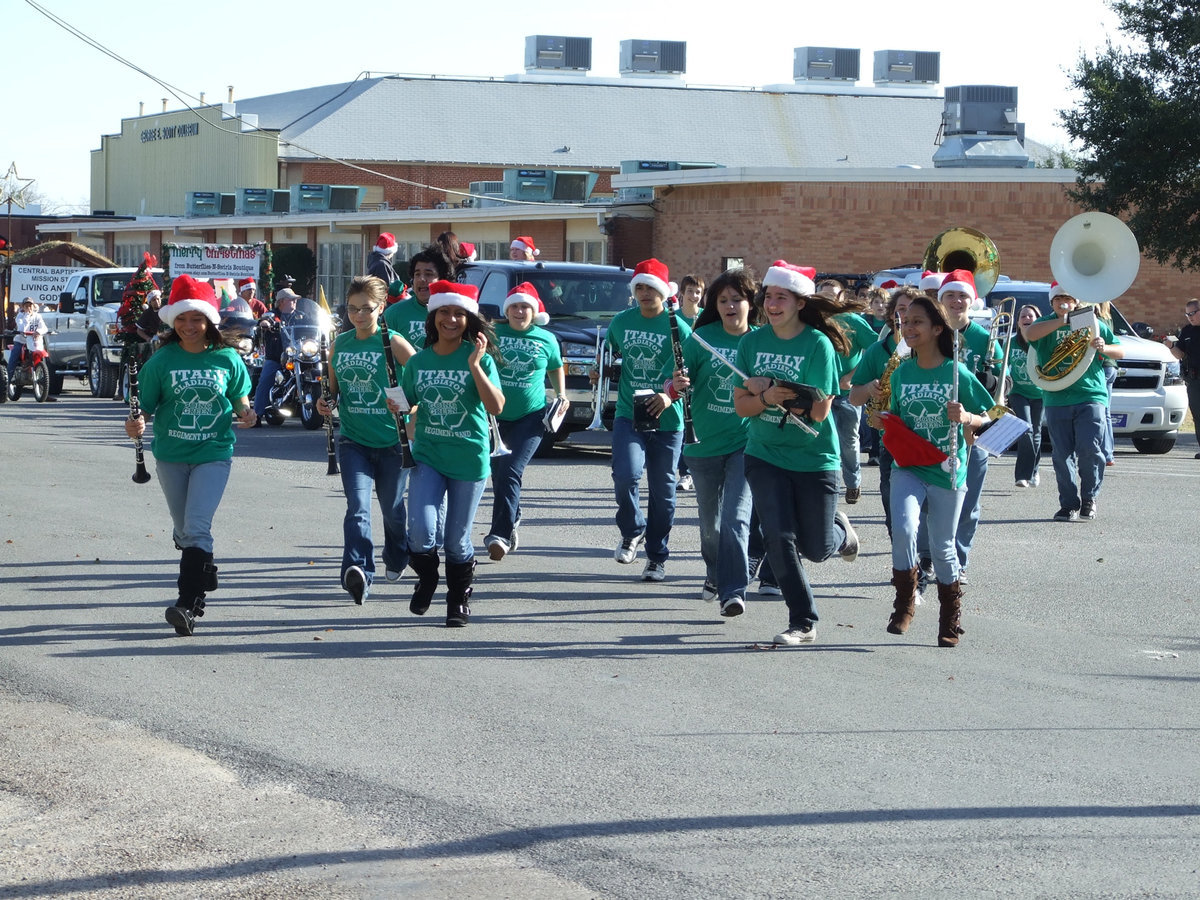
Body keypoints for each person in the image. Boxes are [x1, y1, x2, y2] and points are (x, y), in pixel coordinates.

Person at [732, 260, 860, 648]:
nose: (772, 304)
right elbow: (742, 406)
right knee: (778, 535)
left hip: (814, 458)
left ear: (800, 302)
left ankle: (840, 532)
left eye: (781, 297)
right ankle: (803, 621)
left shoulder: (818, 345)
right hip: (765, 453)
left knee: (817, 549)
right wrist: (763, 398)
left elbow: (819, 411)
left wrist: (769, 387)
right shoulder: (750, 343)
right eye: (768, 296)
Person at [123, 275, 255, 636]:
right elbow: (143, 408)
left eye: (196, 318)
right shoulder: (162, 360)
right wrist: (135, 423)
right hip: (170, 455)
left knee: (197, 527)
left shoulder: (228, 358)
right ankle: (204, 566)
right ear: (171, 320)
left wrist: (247, 413)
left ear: (209, 320)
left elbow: (240, 399)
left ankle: (188, 603)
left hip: (213, 452)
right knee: (184, 532)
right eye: (181, 319)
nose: (189, 326)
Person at [884, 294, 992, 647]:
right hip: (908, 468)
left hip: (948, 471)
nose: (909, 326)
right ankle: (904, 604)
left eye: (917, 321)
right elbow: (897, 419)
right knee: (903, 528)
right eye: (905, 321)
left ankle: (950, 617)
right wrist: (883, 420)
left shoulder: (956, 372)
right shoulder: (901, 373)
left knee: (943, 546)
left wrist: (967, 418)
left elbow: (994, 415)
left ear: (936, 329)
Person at [399, 281, 504, 627]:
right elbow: (406, 403)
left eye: (459, 313)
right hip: (428, 454)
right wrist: (395, 405)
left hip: (469, 459)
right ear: (433, 316)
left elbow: (496, 406)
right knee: (419, 531)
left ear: (468, 319)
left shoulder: (479, 359)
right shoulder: (419, 362)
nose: (451, 319)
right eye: (444, 311)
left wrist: (475, 365)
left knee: (457, 541)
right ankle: (428, 578)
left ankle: (458, 599)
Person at [315, 276, 414, 604]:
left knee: (392, 509)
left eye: (366, 309)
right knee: (357, 508)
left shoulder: (394, 343)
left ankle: (398, 553)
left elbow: (421, 383)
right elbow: (333, 393)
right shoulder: (340, 344)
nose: (358, 315)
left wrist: (408, 405)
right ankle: (358, 570)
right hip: (354, 442)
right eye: (352, 309)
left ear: (381, 308)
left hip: (392, 442)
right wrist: (325, 404)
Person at [671, 266, 758, 617]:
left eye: (737, 299)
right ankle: (713, 572)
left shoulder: (759, 341)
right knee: (711, 527)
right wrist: (675, 386)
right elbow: (673, 382)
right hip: (702, 444)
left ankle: (733, 590)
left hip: (746, 443)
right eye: (723, 300)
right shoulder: (701, 338)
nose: (730, 305)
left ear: (750, 303)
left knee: (737, 520)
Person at [598, 258, 691, 582]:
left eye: (651, 287)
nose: (644, 292)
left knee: (664, 492)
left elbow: (686, 375)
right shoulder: (622, 321)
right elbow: (609, 352)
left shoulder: (679, 326)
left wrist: (670, 394)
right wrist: (604, 368)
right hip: (629, 412)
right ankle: (632, 530)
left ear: (663, 291)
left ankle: (657, 557)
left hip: (668, 418)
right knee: (625, 475)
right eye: (639, 286)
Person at [1023, 281, 1123, 521]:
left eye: (1068, 298)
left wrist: (1104, 347)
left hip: (1090, 394)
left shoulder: (1091, 322)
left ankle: (1089, 498)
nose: (1063, 302)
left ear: (1077, 301)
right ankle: (1068, 504)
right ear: (1052, 303)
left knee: (1090, 449)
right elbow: (1030, 335)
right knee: (1061, 454)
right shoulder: (1044, 323)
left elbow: (1119, 351)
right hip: (1057, 397)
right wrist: (1063, 321)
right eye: (1058, 299)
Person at [925, 269, 998, 584]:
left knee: (968, 502)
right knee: (930, 500)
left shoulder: (985, 337)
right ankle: (928, 559)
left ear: (973, 300)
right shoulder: (931, 333)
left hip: (973, 427)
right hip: (930, 427)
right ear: (941, 300)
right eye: (950, 295)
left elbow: (1001, 385)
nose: (957, 301)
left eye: (962, 295)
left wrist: (994, 380)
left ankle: (958, 562)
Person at [485, 283, 566, 561]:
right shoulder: (493, 333)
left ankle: (500, 534)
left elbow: (556, 367)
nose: (520, 311)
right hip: (494, 416)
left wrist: (562, 395)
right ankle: (513, 513)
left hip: (531, 417)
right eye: (515, 307)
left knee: (510, 470)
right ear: (508, 310)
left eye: (525, 307)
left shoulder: (546, 339)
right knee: (497, 473)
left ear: (534, 312)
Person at [849, 284, 921, 537]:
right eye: (901, 310)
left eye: (914, 311)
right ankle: (902, 554)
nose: (906, 317)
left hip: (928, 436)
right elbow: (854, 397)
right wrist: (869, 388)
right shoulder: (876, 351)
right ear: (891, 315)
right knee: (893, 503)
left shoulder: (933, 349)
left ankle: (924, 558)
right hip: (890, 438)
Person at [831, 296, 879, 504]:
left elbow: (875, 350)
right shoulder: (814, 320)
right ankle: (830, 486)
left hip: (847, 395)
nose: (829, 299)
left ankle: (852, 483)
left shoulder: (854, 321)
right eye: (824, 295)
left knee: (849, 442)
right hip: (821, 393)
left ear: (842, 298)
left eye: (833, 295)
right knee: (824, 441)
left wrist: (851, 377)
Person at [383, 245, 451, 351]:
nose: (421, 279)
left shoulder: (455, 315)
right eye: (417, 274)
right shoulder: (394, 313)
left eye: (428, 274)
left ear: (442, 279)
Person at [674, 274, 705, 491]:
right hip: (680, 379)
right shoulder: (673, 318)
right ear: (681, 294)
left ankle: (698, 471)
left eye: (698, 292)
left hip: (701, 377)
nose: (694, 296)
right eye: (690, 291)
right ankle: (685, 473)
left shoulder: (706, 318)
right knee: (684, 426)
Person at [1008, 304, 1045, 487]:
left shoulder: (1043, 342)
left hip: (1040, 393)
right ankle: (1022, 475)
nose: (1027, 318)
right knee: (1025, 429)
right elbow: (1003, 366)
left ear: (1038, 320)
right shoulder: (1011, 342)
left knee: (1036, 432)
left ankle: (1034, 471)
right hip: (1018, 392)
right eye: (1023, 315)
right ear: (1018, 322)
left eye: (1031, 315)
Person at [252, 288, 301, 418]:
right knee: (265, 380)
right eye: (292, 299)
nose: (295, 302)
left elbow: (312, 323)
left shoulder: (300, 315)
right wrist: (264, 323)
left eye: (296, 300)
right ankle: (257, 414)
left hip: (299, 355)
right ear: (282, 302)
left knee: (322, 373)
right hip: (277, 356)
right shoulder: (273, 315)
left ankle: (325, 413)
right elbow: (264, 319)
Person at [1167, 298, 1200, 458]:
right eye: (1187, 314)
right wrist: (1172, 347)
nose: (1190, 317)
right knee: (1197, 415)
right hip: (1195, 379)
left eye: (1193, 313)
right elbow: (1180, 354)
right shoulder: (1187, 331)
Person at [7, 298, 47, 382]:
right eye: (26, 306)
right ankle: (8, 380)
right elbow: (22, 328)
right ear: (23, 307)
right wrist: (27, 316)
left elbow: (44, 328)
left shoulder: (38, 316)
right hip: (21, 341)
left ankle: (45, 377)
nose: (29, 308)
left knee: (43, 355)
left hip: (34, 342)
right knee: (14, 356)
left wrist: (38, 332)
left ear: (33, 306)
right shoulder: (20, 316)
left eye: (30, 305)